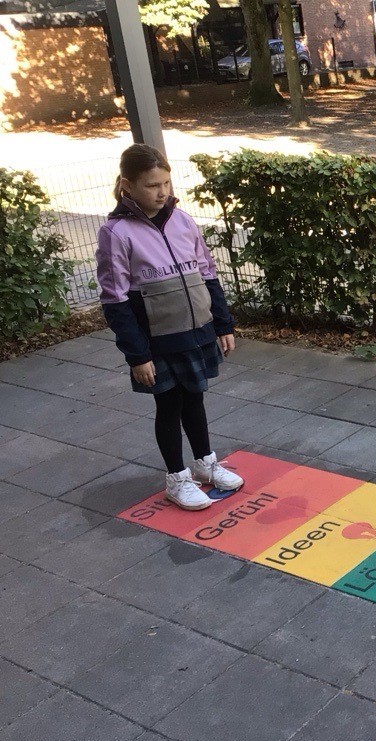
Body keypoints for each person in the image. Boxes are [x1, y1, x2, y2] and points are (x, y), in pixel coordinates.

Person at [96, 144, 243, 510]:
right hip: (156, 341)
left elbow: (207, 274)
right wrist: (137, 354)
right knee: (170, 404)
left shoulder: (183, 221)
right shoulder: (116, 233)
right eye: (151, 185)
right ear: (127, 185)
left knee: (195, 396)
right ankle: (177, 479)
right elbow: (115, 300)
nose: (162, 193)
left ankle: (205, 464)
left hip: (195, 331)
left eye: (166, 183)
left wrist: (222, 323)